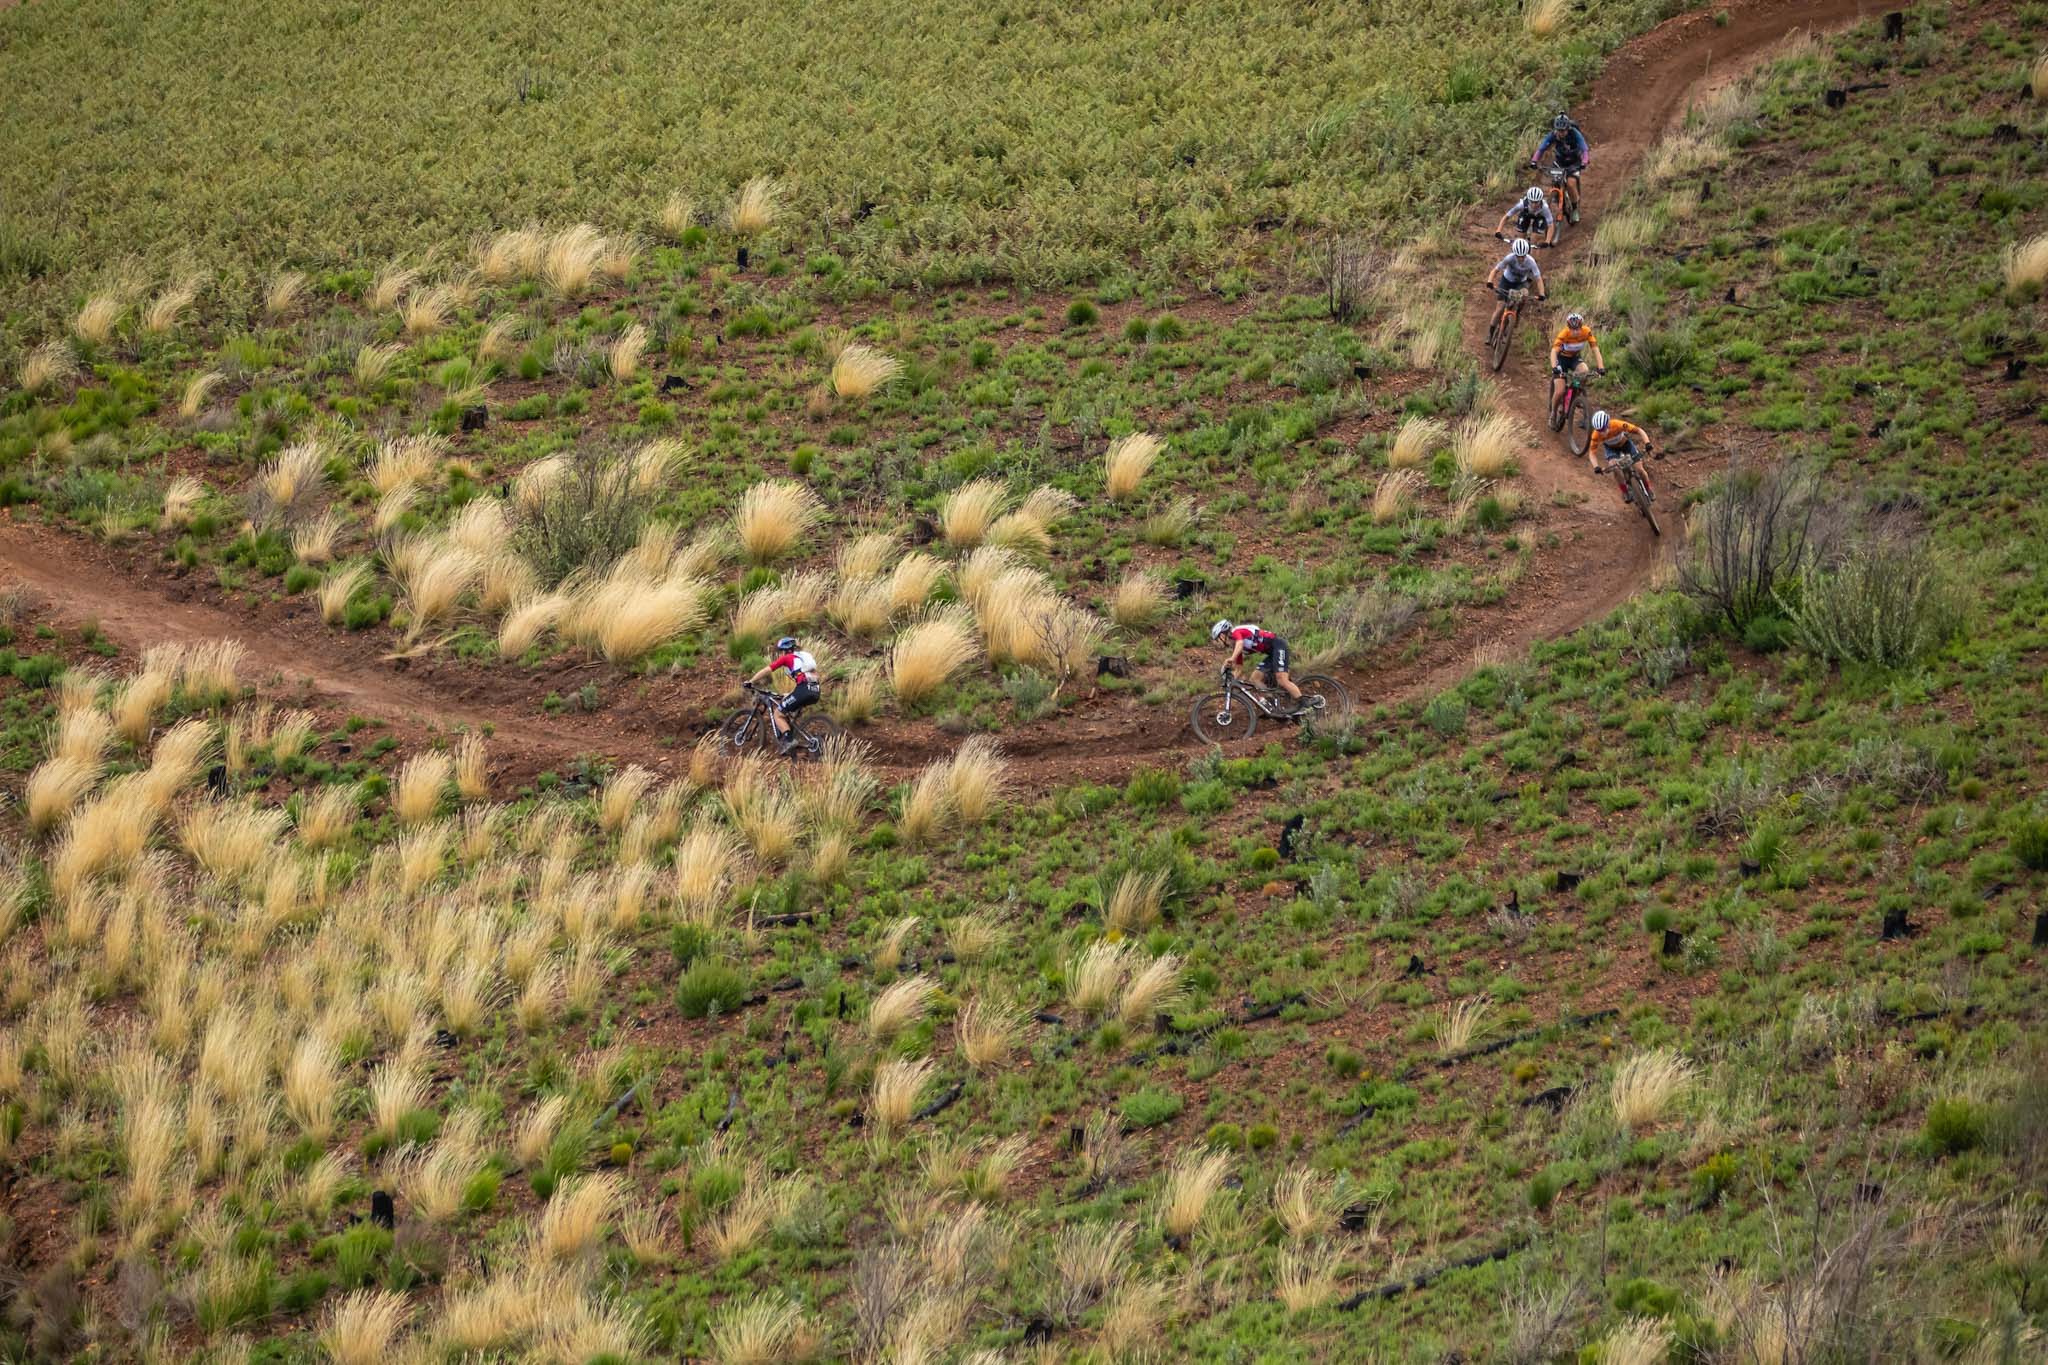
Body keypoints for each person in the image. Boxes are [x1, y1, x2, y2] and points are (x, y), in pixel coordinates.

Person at [744, 636, 820, 754]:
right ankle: (793, 736)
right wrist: (791, 694)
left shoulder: (787, 658)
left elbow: (767, 670)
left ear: (785, 650)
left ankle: (789, 741)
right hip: (815, 691)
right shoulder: (803, 659)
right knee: (789, 710)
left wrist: (751, 681)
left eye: (781, 651)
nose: (781, 654)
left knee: (778, 714)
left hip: (803, 690)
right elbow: (808, 680)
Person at [1210, 619, 1303, 709]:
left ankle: (1305, 704)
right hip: (1272, 653)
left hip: (1278, 646)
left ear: (1223, 635)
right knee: (1255, 679)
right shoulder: (1236, 646)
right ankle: (1271, 704)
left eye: (1218, 639)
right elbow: (1239, 669)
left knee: (1282, 680)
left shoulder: (1236, 632)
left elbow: (1240, 643)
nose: (1219, 642)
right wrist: (1229, 681)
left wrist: (1232, 658)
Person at [1529, 112, 1590, 213]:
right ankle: (1556, 197)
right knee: (1555, 181)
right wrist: (1534, 160)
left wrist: (1584, 161)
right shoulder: (1553, 135)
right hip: (1560, 162)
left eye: (1563, 130)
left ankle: (1575, 209)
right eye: (1558, 130)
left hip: (1574, 162)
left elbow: (1584, 148)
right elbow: (1541, 148)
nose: (1561, 133)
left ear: (1568, 128)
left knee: (1570, 184)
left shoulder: (1574, 133)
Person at [1485, 238, 1547, 338]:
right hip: (1506, 281)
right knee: (1500, 308)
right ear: (1515, 254)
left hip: (1520, 283)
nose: (1521, 258)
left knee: (1525, 294)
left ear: (1526, 254)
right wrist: (1489, 281)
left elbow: (1538, 279)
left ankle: (1517, 312)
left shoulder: (1531, 262)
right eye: (1518, 256)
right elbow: (1495, 270)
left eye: (1523, 256)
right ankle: (1490, 333)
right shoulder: (1509, 258)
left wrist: (1542, 294)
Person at [1587, 410, 1657, 493]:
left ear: (1608, 424)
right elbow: (1592, 453)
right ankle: (1625, 491)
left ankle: (1648, 489)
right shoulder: (1595, 435)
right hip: (1611, 449)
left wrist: (1647, 443)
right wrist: (1596, 467)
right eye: (1599, 430)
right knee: (1615, 468)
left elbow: (1638, 430)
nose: (1602, 432)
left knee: (1640, 470)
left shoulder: (1617, 424)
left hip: (1625, 444)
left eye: (1603, 429)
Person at [1548, 311, 1606, 413]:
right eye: (1572, 329)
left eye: (1577, 329)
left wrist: (1601, 367)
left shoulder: (1586, 332)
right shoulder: (1564, 334)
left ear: (1581, 327)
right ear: (1568, 328)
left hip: (1574, 358)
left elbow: (1595, 349)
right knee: (1560, 391)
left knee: (1584, 371)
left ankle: (1575, 395)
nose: (1575, 331)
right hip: (1561, 359)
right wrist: (1554, 367)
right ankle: (1553, 413)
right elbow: (1554, 351)